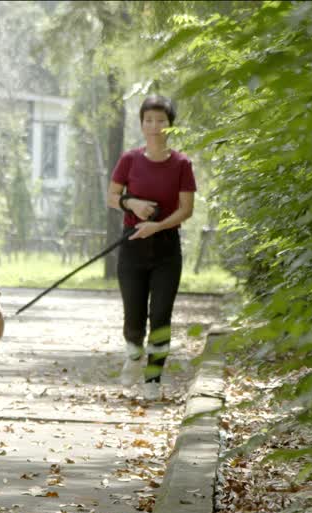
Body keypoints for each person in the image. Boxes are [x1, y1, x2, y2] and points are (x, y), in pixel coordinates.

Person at [106, 94, 196, 401]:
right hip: (132, 246)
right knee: (134, 318)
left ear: (171, 125)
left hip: (166, 249)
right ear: (142, 124)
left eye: (161, 120)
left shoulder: (182, 163)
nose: (155, 126)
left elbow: (186, 209)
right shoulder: (130, 160)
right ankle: (133, 357)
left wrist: (156, 225)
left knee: (160, 317)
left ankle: (153, 380)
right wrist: (132, 203)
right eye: (149, 120)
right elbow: (111, 196)